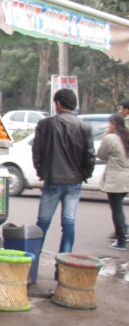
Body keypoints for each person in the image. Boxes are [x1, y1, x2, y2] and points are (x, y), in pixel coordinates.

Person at [29, 88, 95, 284]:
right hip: (74, 182)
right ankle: (62, 268)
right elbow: (90, 156)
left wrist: (42, 172)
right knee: (68, 224)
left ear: (57, 103)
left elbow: (37, 152)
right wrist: (83, 175)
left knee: (42, 223)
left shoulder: (45, 124)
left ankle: (32, 268)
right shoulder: (84, 126)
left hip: (52, 180)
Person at [96, 112, 129, 250]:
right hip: (126, 179)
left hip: (115, 180)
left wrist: (104, 138)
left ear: (114, 124)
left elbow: (101, 155)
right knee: (119, 209)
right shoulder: (126, 137)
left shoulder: (111, 138)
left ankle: (121, 240)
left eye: (109, 123)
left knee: (116, 211)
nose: (108, 126)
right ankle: (124, 232)